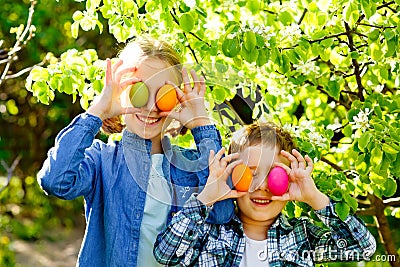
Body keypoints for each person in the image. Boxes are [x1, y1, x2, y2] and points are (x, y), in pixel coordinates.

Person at [37, 37, 235, 266]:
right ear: (120, 91)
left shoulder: (190, 166)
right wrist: (98, 111)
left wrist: (201, 124)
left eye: (163, 95)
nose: (150, 106)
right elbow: (56, 181)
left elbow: (222, 212)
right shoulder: (102, 160)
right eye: (138, 90)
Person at [154, 122, 376, 266]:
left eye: (274, 174)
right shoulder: (208, 233)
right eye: (251, 174)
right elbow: (166, 253)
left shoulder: (302, 238)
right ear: (233, 177)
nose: (262, 186)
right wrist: (207, 198)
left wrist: (313, 197)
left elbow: (363, 248)